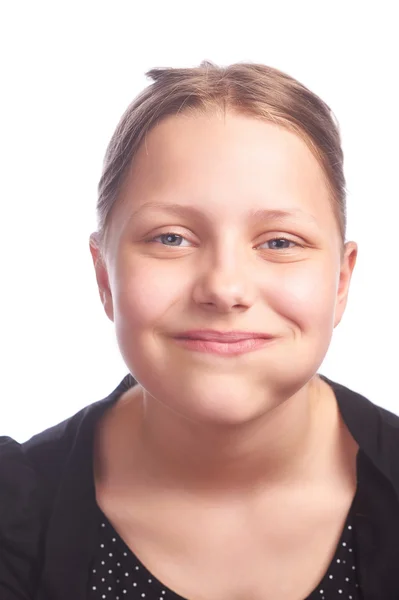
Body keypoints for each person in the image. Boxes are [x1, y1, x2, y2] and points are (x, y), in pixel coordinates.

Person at [1, 60, 399, 600]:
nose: (224, 287)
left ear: (341, 282)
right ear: (104, 276)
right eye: (171, 238)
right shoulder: (14, 516)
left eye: (279, 242)